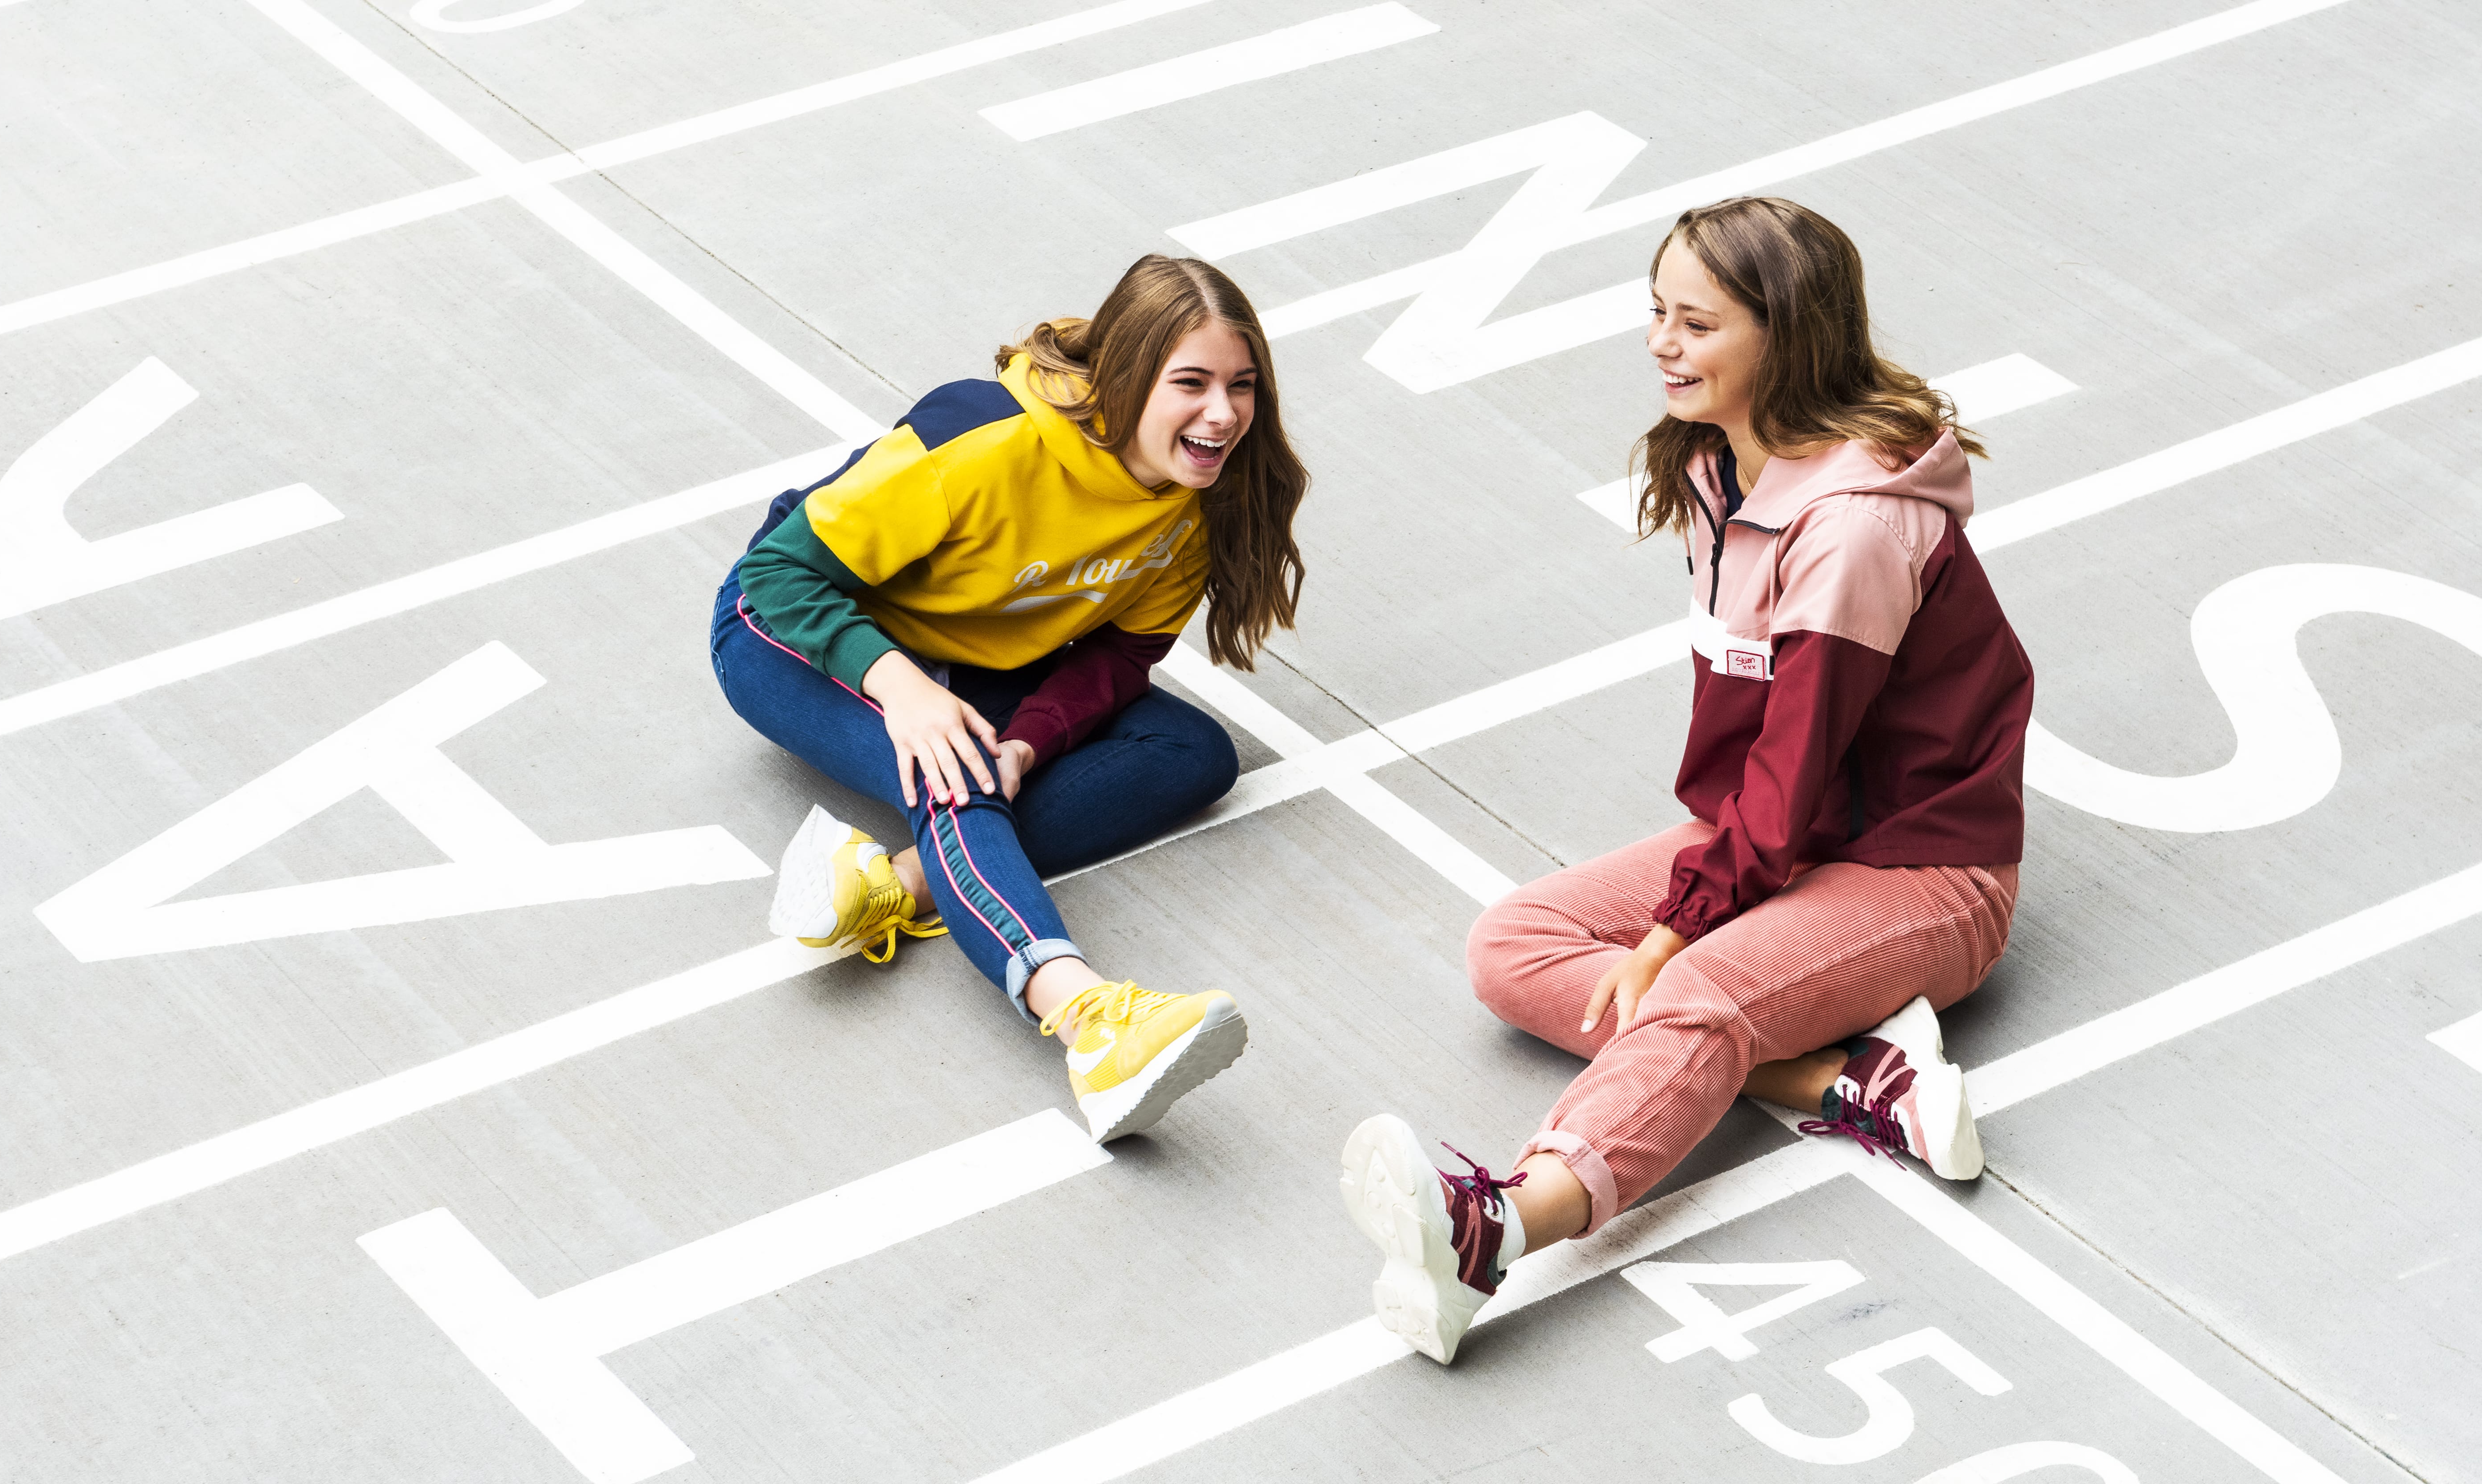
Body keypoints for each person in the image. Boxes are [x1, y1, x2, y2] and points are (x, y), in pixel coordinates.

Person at [1340, 197, 2034, 1363]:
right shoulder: (1720, 465)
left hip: (1923, 868)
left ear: (1786, 334)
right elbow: (1765, 778)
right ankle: (1842, 1078)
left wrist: (1684, 924)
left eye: (1697, 323)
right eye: (1655, 313)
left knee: (1691, 991)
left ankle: (1500, 1229)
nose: (1663, 343)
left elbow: (1797, 768)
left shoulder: (1855, 525)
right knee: (1510, 944)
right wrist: (1699, 903)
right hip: (1788, 839)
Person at [711, 254, 1308, 1141]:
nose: (1223, 414)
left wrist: (1030, 740)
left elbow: (1115, 659)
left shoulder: (1194, 503)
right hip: (801, 633)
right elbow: (777, 574)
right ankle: (1088, 1021)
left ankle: (905, 880)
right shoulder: (981, 436)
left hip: (976, 652)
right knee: (953, 770)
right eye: (1192, 383)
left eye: (1242, 386)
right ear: (1128, 376)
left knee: (1193, 752)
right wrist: (902, 689)